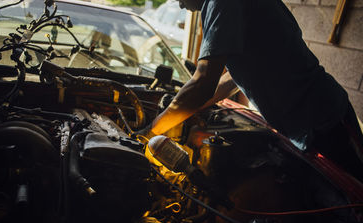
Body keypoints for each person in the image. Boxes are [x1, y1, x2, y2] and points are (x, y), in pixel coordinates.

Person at [143, 0, 363, 180]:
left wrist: (153, 131)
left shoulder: (223, 3)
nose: (180, 6)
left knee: (353, 198)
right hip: (306, 123)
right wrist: (185, 111)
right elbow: (233, 78)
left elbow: (203, 82)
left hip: (326, 121)